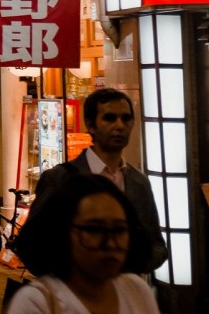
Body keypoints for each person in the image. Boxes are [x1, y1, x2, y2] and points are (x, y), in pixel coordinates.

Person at [30, 89, 169, 274]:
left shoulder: (138, 182)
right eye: (109, 118)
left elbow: (157, 246)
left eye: (126, 118)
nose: (120, 126)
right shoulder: (60, 179)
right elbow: (33, 247)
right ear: (91, 125)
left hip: (123, 288)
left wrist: (127, 264)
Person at [6, 174, 159, 314]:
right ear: (64, 233)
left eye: (119, 230)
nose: (110, 243)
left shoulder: (136, 290)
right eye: (94, 230)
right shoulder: (37, 302)